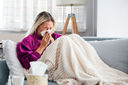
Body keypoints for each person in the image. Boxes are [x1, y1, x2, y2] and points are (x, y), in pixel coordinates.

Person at [16, 11, 128, 85]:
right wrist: (42, 46)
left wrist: (54, 43)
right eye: (45, 28)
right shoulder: (28, 40)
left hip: (58, 64)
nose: (48, 31)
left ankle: (90, 70)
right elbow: (27, 64)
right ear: (37, 26)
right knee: (64, 40)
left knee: (74, 37)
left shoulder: (55, 36)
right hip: (42, 68)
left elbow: (67, 51)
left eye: (50, 28)